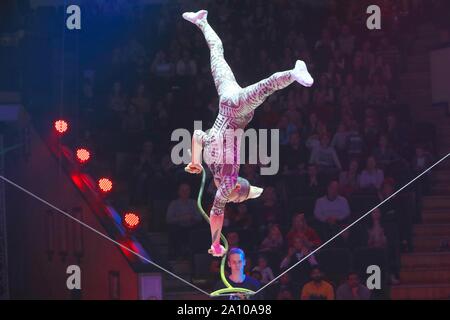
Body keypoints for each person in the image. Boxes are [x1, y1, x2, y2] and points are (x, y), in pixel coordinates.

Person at [182, 10, 314, 257]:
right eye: (236, 200)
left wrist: (194, 162)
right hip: (236, 109)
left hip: (227, 100)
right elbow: (216, 212)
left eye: (236, 201)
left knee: (217, 56)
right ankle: (294, 73)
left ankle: (202, 21)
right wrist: (215, 244)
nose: (232, 201)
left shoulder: (216, 170)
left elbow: (200, 135)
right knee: (264, 88)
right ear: (236, 191)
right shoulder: (229, 180)